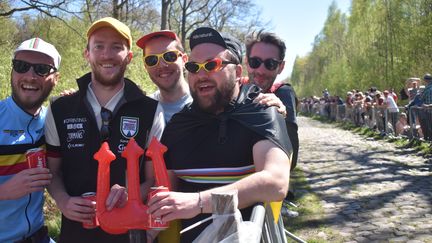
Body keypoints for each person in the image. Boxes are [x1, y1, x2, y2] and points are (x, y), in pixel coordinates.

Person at [147, 27, 292, 243]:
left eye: (212, 64)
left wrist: (198, 202)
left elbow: (275, 182)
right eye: (194, 67)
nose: (201, 74)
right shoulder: (179, 125)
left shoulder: (260, 110)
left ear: (238, 72)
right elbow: (165, 192)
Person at [45, 17, 164, 243]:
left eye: (116, 47)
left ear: (129, 57)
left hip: (132, 235)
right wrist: (63, 201)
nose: (107, 55)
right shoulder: (59, 108)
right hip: (75, 235)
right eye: (98, 46)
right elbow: (53, 172)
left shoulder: (151, 110)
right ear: (87, 53)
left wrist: (132, 196)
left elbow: (156, 180)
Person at [0, 37, 60, 242]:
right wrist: (3, 191)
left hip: (39, 237)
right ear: (12, 71)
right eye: (21, 66)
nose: (30, 76)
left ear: (56, 78)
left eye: (42, 69)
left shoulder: (55, 120)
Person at [244, 30, 299, 208]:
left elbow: (292, 155)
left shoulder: (282, 92)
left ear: (280, 67)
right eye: (255, 62)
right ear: (246, 62)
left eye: (270, 64)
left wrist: (280, 117)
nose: (260, 70)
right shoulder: (235, 87)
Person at [136, 30, 193, 122]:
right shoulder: (143, 109)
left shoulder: (204, 105)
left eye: (169, 56)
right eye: (152, 60)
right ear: (145, 66)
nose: (162, 65)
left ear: (184, 60)